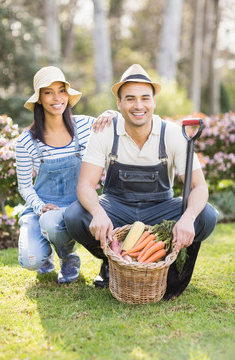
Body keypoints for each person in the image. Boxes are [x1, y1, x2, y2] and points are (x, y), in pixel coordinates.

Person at [64, 64, 218, 298]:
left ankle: (165, 261)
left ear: (154, 101)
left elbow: (198, 187)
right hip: (116, 207)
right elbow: (85, 184)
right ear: (119, 103)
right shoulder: (105, 132)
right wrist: (97, 211)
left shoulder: (174, 134)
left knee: (206, 215)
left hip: (161, 210)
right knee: (74, 216)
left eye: (145, 98)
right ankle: (112, 261)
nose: (138, 105)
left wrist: (186, 218)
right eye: (130, 99)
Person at [16, 66, 114, 284]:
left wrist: (111, 114)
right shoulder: (25, 142)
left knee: (53, 223)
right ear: (39, 99)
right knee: (31, 259)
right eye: (48, 92)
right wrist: (40, 206)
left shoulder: (85, 125)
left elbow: (117, 124)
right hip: (43, 208)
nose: (57, 98)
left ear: (68, 95)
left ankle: (68, 257)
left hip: (77, 207)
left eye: (61, 91)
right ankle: (45, 252)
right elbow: (24, 186)